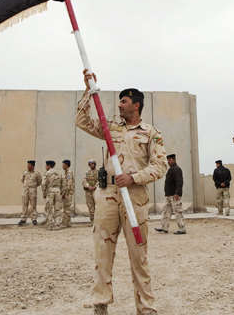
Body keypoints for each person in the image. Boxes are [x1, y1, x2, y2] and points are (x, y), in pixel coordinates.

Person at [76, 70, 168, 315]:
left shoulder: (151, 133)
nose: (119, 105)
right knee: (103, 251)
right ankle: (100, 303)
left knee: (139, 254)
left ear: (136, 105)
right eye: (119, 101)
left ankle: (145, 307)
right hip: (107, 195)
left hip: (134, 197)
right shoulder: (110, 127)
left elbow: (160, 165)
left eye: (123, 101)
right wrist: (88, 91)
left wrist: (134, 178)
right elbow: (82, 121)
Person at [156, 154, 185, 234]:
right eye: (168, 160)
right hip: (168, 195)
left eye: (170, 160)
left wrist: (177, 193)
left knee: (178, 212)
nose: (168, 162)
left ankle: (182, 229)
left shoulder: (177, 169)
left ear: (174, 160)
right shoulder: (171, 169)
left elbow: (179, 182)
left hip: (174, 195)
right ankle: (164, 227)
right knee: (165, 211)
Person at [41, 160, 65, 231]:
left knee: (49, 208)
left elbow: (43, 184)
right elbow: (64, 182)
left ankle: (49, 224)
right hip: (58, 191)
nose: (45, 167)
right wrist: (63, 192)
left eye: (46, 166)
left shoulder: (47, 173)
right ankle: (57, 224)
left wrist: (44, 193)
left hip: (50, 191)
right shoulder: (60, 172)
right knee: (58, 208)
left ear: (49, 166)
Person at [19, 160, 42, 226]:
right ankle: (23, 218)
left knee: (33, 204)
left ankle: (34, 218)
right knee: (24, 204)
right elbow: (22, 180)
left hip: (33, 190)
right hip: (25, 190)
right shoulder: (25, 172)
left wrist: (33, 186)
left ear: (32, 166)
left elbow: (39, 181)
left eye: (29, 165)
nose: (28, 167)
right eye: (27, 165)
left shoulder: (36, 173)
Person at [82, 159, 99, 224]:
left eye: (92, 164)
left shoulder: (98, 172)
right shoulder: (86, 173)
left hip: (96, 191)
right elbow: (84, 181)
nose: (91, 165)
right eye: (90, 164)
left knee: (97, 206)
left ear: (95, 164)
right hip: (88, 192)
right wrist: (88, 186)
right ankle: (93, 221)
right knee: (90, 207)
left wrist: (95, 186)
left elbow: (99, 180)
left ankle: (97, 221)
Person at [62, 159, 74, 228]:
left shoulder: (69, 172)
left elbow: (68, 183)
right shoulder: (66, 173)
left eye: (63, 164)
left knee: (66, 208)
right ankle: (68, 222)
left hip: (68, 193)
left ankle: (64, 223)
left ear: (66, 165)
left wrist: (64, 193)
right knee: (67, 208)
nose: (62, 166)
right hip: (67, 192)